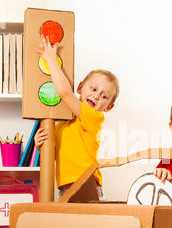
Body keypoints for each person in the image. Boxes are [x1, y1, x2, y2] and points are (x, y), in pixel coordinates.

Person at [34, 35, 119, 200]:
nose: (96, 97)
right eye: (93, 89)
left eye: (104, 97)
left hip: (85, 185)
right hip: (66, 188)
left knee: (83, 225)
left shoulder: (94, 118)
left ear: (108, 107)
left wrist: (51, 60)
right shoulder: (61, 127)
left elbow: (65, 93)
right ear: (80, 87)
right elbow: (53, 156)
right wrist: (40, 146)